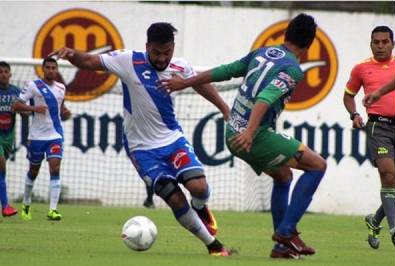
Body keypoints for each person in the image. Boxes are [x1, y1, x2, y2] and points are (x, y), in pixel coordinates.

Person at [50, 22, 232, 256]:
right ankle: (213, 245)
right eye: (156, 52)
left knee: (199, 187)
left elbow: (200, 84)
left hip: (171, 139)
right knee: (174, 198)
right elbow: (90, 62)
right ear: (147, 46)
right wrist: (72, 54)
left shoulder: (180, 66)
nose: (161, 58)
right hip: (141, 149)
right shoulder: (128, 60)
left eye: (167, 52)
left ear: (173, 47)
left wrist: (224, 108)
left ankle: (199, 206)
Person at [159, 14, 326, 259]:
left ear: (286, 33)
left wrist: (186, 83)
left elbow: (226, 71)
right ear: (309, 45)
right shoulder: (292, 69)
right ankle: (287, 232)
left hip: (233, 132)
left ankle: (281, 248)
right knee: (318, 166)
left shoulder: (262, 53)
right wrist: (250, 132)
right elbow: (266, 97)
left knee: (283, 176)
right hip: (253, 135)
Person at [343, 26, 395, 249]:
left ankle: (375, 221)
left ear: (393, 43)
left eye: (385, 42)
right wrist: (354, 114)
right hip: (378, 127)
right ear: (371, 44)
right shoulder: (361, 68)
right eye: (376, 42)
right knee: (388, 174)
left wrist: (378, 93)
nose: (380, 46)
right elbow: (348, 96)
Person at [12, 57, 71, 221]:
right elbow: (15, 106)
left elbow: (61, 109)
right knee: (33, 171)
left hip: (55, 136)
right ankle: (26, 203)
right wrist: (33, 108)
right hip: (37, 137)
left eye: (54, 67)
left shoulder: (61, 88)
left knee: (55, 168)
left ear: (57, 70)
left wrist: (66, 113)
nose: (51, 70)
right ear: (43, 70)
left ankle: (53, 210)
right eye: (48, 67)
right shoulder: (34, 86)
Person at [0, 61, 21, 217]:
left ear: (10, 74)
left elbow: (26, 113)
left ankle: (4, 205)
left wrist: (21, 109)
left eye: (6, 72)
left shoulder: (16, 92)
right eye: (0, 72)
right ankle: (5, 206)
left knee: (2, 171)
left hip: (8, 138)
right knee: (1, 164)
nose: (3, 74)